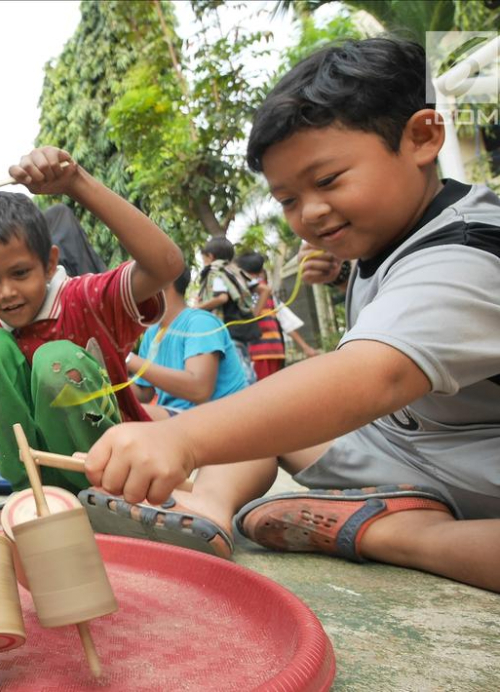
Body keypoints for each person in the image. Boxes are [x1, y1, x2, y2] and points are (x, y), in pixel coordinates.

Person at [82, 38, 499, 592]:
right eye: (288, 199)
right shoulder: (392, 245)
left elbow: (377, 376)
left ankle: (394, 534)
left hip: (482, 482)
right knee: (260, 422)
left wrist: (182, 438)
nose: (311, 212)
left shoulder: (468, 251)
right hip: (410, 456)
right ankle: (208, 508)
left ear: (422, 137)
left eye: (327, 181)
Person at [0, 147, 182, 524]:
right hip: (41, 483)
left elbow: (167, 265)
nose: (6, 292)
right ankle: (29, 493)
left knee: (56, 361)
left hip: (114, 469)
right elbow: (17, 352)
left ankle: (101, 495)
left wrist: (77, 183)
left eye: (20, 273)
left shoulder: (86, 297)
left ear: (51, 263)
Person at [128, 267, 248, 412]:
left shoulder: (200, 322)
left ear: (165, 281)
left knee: (133, 418)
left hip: (220, 417)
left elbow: (199, 390)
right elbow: (144, 393)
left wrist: (127, 359)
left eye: (135, 282)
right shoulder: (152, 332)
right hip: (181, 417)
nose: (129, 290)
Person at [195, 237, 260, 384]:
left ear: (210, 256)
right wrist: (253, 314)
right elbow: (264, 289)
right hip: (243, 327)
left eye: (204, 258)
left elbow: (222, 297)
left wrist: (197, 307)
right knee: (246, 363)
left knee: (240, 371)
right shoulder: (236, 272)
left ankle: (249, 398)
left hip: (229, 328)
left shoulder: (215, 271)